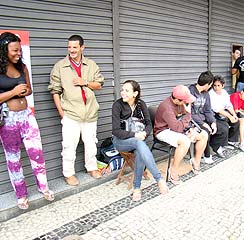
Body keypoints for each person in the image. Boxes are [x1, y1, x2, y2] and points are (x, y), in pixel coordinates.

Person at [0, 32, 54, 209]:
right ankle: (21, 195)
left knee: (37, 154)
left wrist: (25, 91)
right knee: (13, 159)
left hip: (27, 116)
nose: (18, 53)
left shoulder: (22, 67)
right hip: (8, 120)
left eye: (19, 50)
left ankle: (44, 187)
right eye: (14, 51)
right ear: (3, 51)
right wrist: (13, 92)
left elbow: (29, 89)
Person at [49, 35, 104, 186]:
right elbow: (55, 91)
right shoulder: (60, 66)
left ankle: (91, 168)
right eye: (69, 47)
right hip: (71, 114)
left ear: (82, 47)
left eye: (75, 47)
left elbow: (99, 84)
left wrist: (84, 82)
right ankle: (68, 173)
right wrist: (61, 112)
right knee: (69, 145)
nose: (71, 50)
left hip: (90, 113)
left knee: (91, 143)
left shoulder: (91, 65)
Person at [112, 80, 168, 201]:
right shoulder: (117, 105)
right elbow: (116, 131)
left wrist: (144, 133)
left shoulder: (141, 104)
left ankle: (136, 188)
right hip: (121, 141)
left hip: (138, 140)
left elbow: (149, 124)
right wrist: (135, 135)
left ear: (135, 93)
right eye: (122, 90)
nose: (123, 93)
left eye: (127, 90)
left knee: (139, 151)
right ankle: (159, 179)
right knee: (139, 143)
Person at [154, 85, 208, 184]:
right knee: (185, 141)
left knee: (204, 135)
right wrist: (188, 114)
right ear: (177, 100)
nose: (186, 103)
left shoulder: (179, 103)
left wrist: (190, 129)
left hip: (175, 128)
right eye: (185, 101)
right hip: (162, 131)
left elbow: (182, 123)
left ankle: (196, 162)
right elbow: (178, 128)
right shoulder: (167, 107)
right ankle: (173, 170)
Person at [188, 71, 223, 162]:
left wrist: (213, 122)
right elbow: (190, 113)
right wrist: (203, 124)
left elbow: (208, 110)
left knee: (221, 127)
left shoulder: (206, 94)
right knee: (206, 131)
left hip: (203, 119)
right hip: (192, 121)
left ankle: (215, 147)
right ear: (207, 84)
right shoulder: (190, 92)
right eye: (211, 84)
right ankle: (206, 155)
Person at [209, 75, 244, 153]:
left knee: (236, 121)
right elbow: (217, 109)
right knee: (224, 127)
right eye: (214, 85)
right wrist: (229, 116)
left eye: (218, 85)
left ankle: (231, 141)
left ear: (223, 85)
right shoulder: (211, 94)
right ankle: (217, 145)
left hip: (224, 112)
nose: (216, 88)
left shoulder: (224, 92)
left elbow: (228, 105)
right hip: (215, 114)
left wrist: (234, 115)